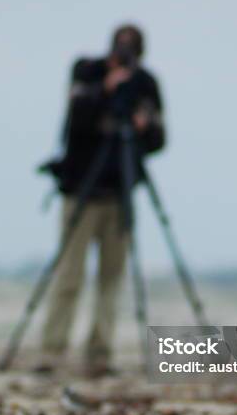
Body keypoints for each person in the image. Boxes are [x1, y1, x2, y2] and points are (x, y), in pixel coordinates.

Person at [38, 24, 166, 377]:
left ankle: (100, 353)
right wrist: (104, 89)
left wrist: (144, 125)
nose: (123, 56)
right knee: (70, 275)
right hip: (80, 189)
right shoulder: (88, 70)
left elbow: (159, 139)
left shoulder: (145, 84)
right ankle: (52, 350)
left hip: (119, 194)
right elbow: (75, 121)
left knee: (112, 276)